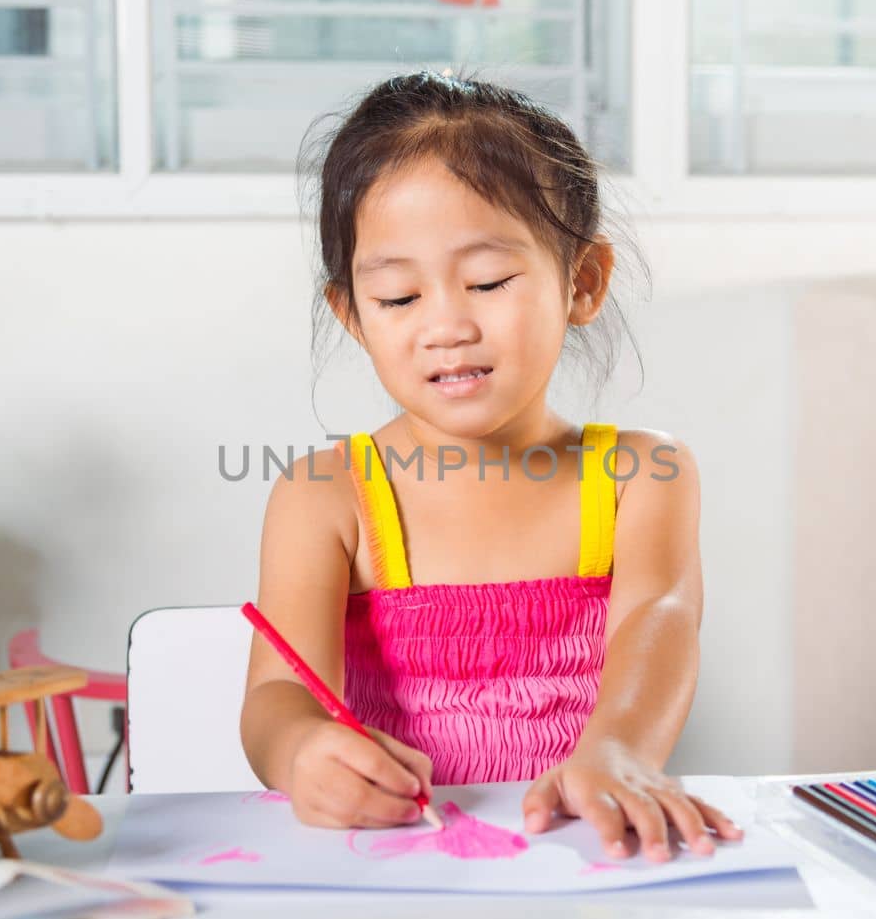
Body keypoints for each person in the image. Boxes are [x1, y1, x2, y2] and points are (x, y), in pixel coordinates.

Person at [240, 71, 741, 864]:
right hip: (395, 867)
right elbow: (277, 692)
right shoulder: (323, 495)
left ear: (582, 281)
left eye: (487, 282)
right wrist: (302, 749)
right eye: (399, 298)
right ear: (353, 316)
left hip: (583, 862)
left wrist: (616, 752)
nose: (446, 325)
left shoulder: (645, 475)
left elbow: (662, 620)